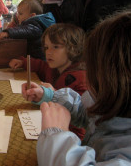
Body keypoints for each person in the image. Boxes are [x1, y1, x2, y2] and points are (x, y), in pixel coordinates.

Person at [22, 11, 131, 165]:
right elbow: (87, 111)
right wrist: (49, 96)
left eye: (93, 68)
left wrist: (57, 140)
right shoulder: (110, 100)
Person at [10, 23, 87, 139]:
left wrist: (52, 95)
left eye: (55, 46)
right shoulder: (55, 68)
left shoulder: (81, 79)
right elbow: (41, 66)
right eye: (46, 47)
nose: (48, 52)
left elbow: (82, 125)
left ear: (74, 48)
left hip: (68, 141)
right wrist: (23, 62)